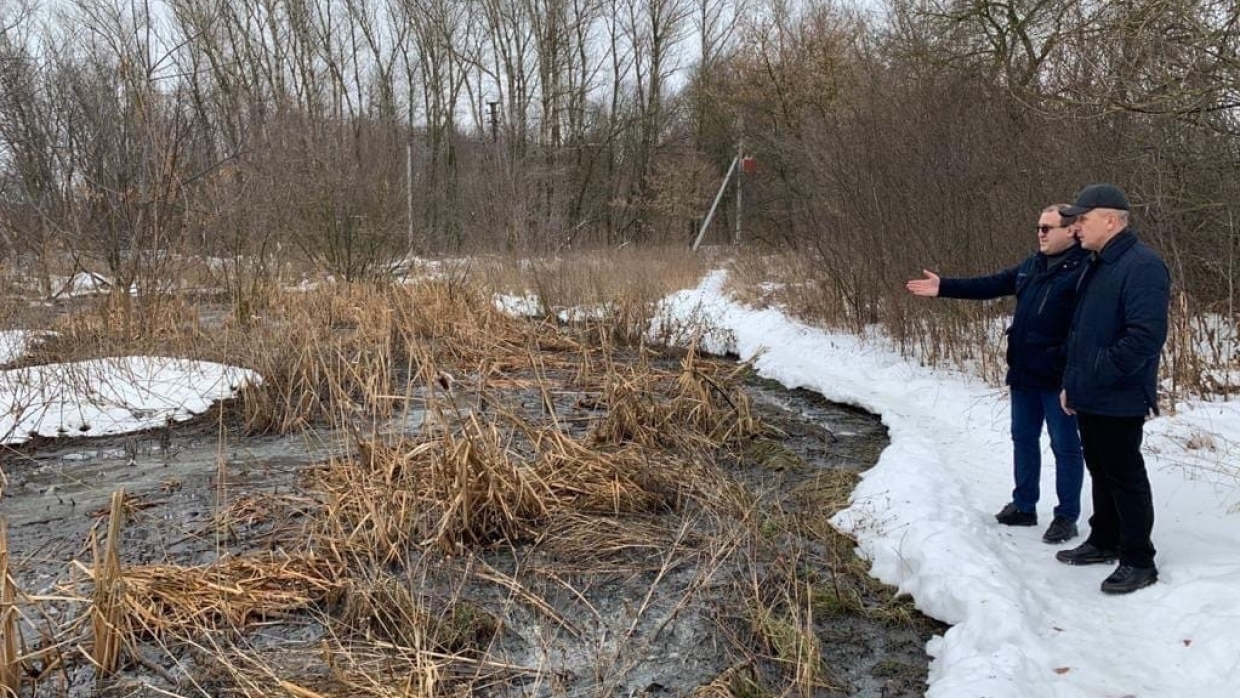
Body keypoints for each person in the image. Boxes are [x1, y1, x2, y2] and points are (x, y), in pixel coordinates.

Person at [907, 205, 1088, 544]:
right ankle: (1024, 505)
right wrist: (944, 286)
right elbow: (990, 284)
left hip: (1058, 378)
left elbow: (1086, 328)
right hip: (1023, 373)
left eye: (1048, 228)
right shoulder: (1032, 265)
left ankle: (1066, 516)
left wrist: (1069, 367)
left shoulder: (1082, 270)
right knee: (1022, 438)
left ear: (1071, 231)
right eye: (1038, 227)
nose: (1041, 233)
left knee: (1065, 447)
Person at [1054, 183, 1170, 595]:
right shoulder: (1097, 262)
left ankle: (1139, 559)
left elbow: (1144, 338)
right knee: (1100, 470)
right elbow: (1081, 332)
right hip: (1090, 392)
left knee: (1124, 475)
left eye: (1082, 219)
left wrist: (1095, 374)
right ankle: (1104, 539)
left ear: (1111, 219)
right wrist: (1073, 383)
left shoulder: (1143, 266)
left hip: (1120, 394)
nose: (1076, 227)